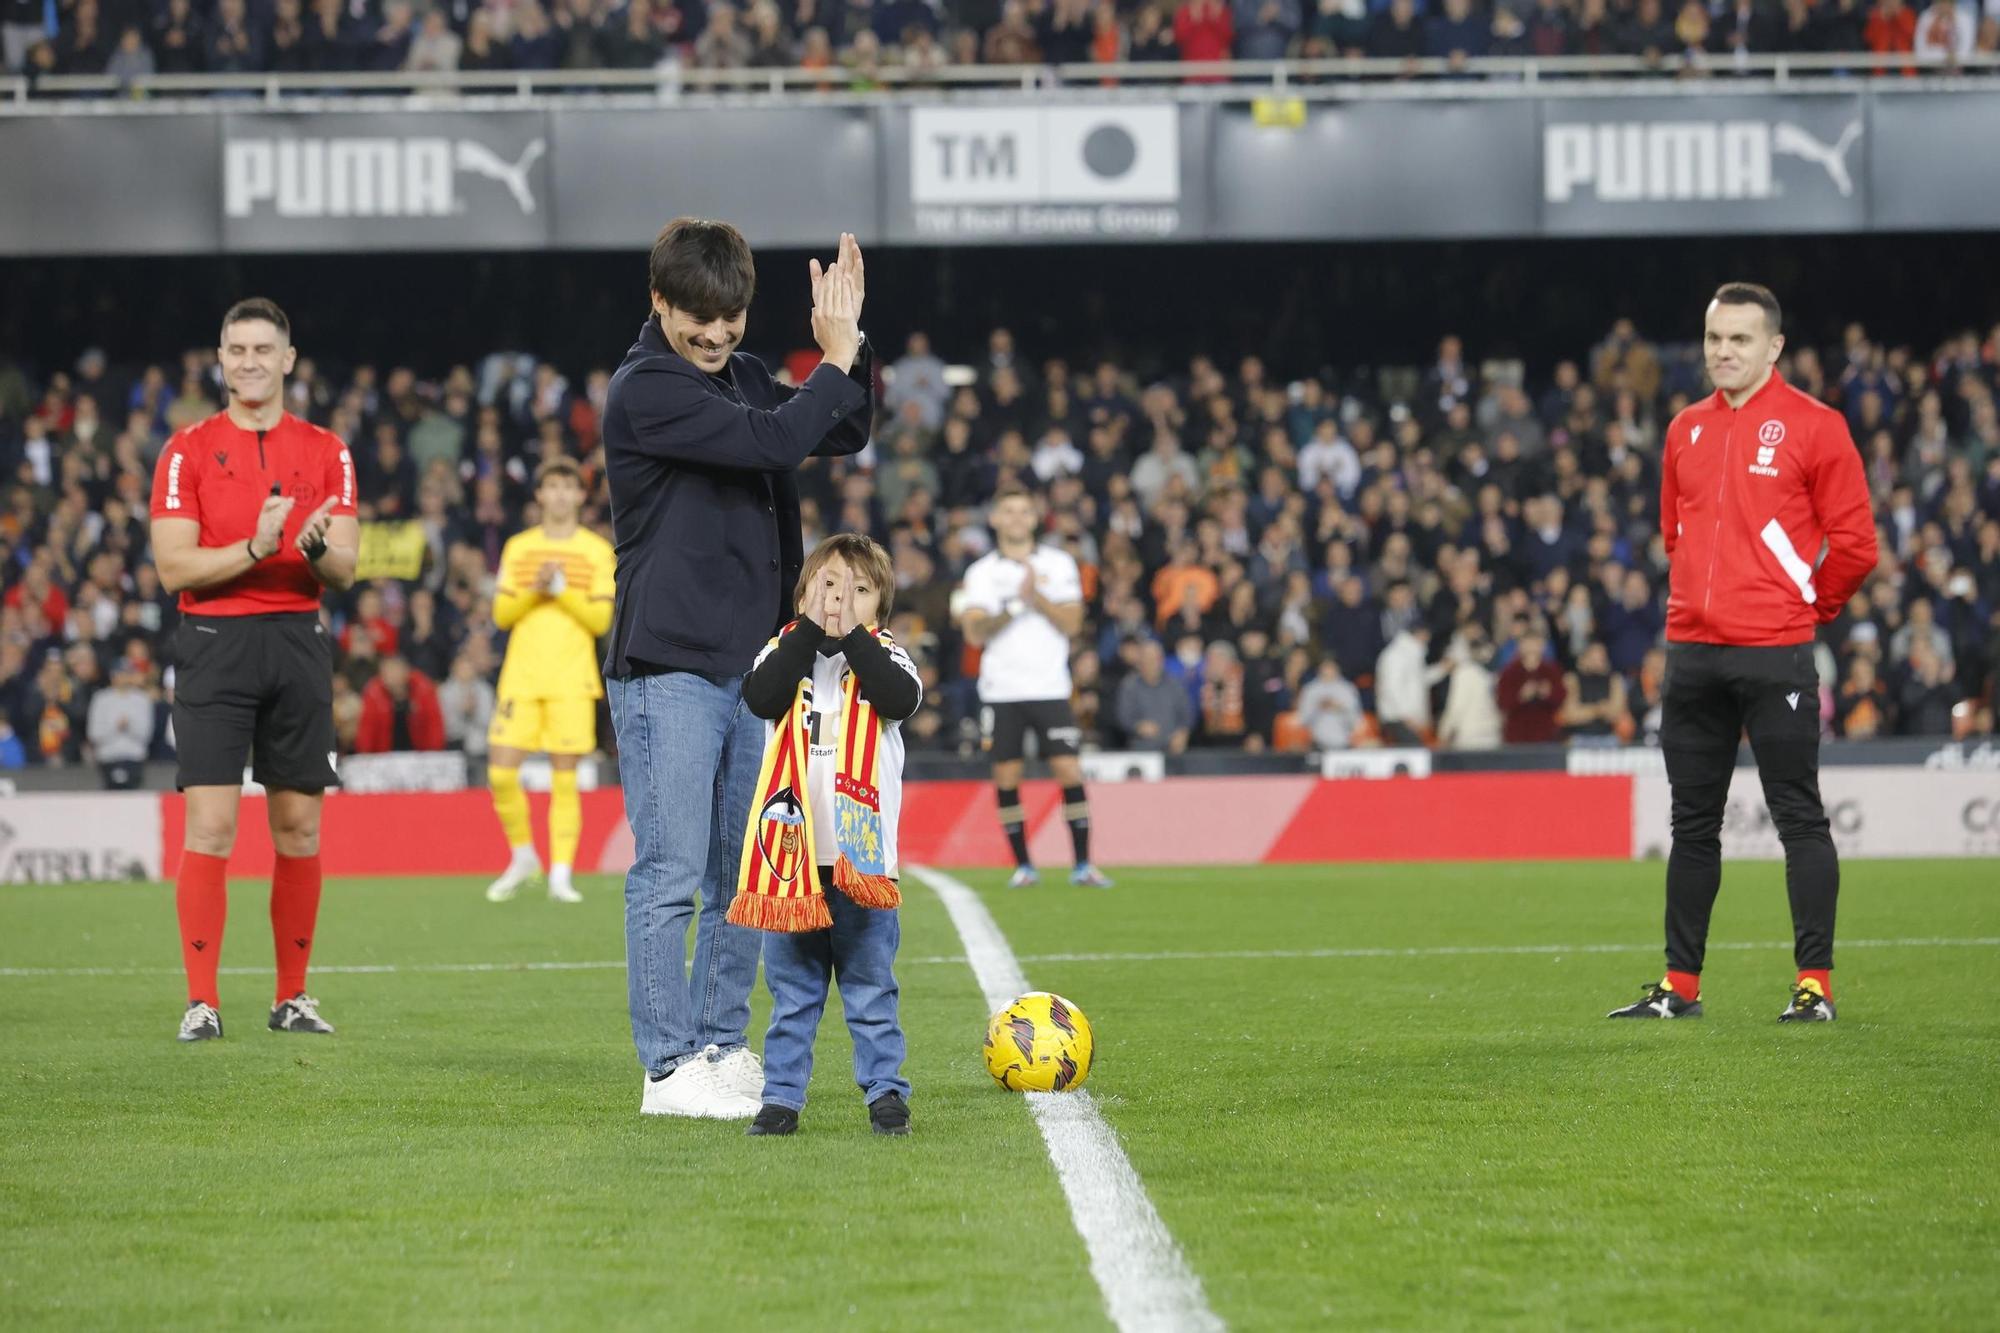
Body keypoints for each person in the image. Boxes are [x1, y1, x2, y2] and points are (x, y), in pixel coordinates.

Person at [602, 220, 873, 1120]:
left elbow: (843, 429)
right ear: (659, 303)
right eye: (699, 319)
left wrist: (852, 342)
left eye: (732, 317)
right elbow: (774, 443)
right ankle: (668, 1067)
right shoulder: (644, 389)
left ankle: (722, 1045)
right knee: (671, 870)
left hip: (752, 667)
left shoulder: (746, 377)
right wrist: (829, 364)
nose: (718, 335)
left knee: (743, 874)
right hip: (668, 663)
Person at [1610, 283, 1876, 1024]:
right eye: (1715, 338)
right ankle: (1679, 987)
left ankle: (1814, 985)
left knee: (1800, 819)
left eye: (1740, 339)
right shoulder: (1684, 429)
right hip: (1691, 653)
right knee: (1692, 825)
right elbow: (1675, 533)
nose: (1724, 351)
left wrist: (1805, 607)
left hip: (1775, 653)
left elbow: (1856, 546)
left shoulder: (1816, 427)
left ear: (1774, 347)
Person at [148, 298, 359, 1043]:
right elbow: (174, 562)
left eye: (262, 349)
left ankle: (292, 997)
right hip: (214, 641)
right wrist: (254, 546)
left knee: (298, 827)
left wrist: (306, 548)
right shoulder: (187, 450)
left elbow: (346, 565)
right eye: (236, 349)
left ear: (288, 359)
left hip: (298, 640)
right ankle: (201, 1002)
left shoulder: (327, 449)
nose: (248, 361)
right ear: (220, 357)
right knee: (209, 826)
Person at [735, 534, 920, 1137]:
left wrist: (854, 638)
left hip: (861, 865)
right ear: (803, 595)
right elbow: (761, 698)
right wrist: (811, 630)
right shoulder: (782, 654)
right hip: (790, 863)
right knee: (792, 997)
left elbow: (898, 697)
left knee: (870, 993)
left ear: (880, 610)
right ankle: (782, 1099)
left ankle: (886, 1094)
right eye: (830, 586)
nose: (841, 600)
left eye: (859, 590)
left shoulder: (888, 658)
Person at [956, 487, 1113, 890]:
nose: (1016, 518)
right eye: (1008, 511)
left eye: (1023, 511)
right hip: (1002, 690)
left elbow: (1073, 623)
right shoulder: (981, 572)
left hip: (1050, 687)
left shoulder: (1058, 564)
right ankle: (1024, 866)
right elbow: (974, 632)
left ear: (1034, 518)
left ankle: (1082, 865)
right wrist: (1013, 606)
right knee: (1007, 776)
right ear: (994, 519)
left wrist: (1035, 596)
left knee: (1068, 769)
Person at [482, 458, 617, 906]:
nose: (559, 495)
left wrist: (561, 590)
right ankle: (523, 856)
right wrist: (536, 590)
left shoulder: (597, 551)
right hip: (521, 675)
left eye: (567, 487)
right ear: (539, 495)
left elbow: (600, 619)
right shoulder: (519, 548)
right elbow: (501, 614)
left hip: (571, 679)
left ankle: (561, 873)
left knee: (564, 778)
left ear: (580, 496)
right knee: (501, 773)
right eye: (551, 487)